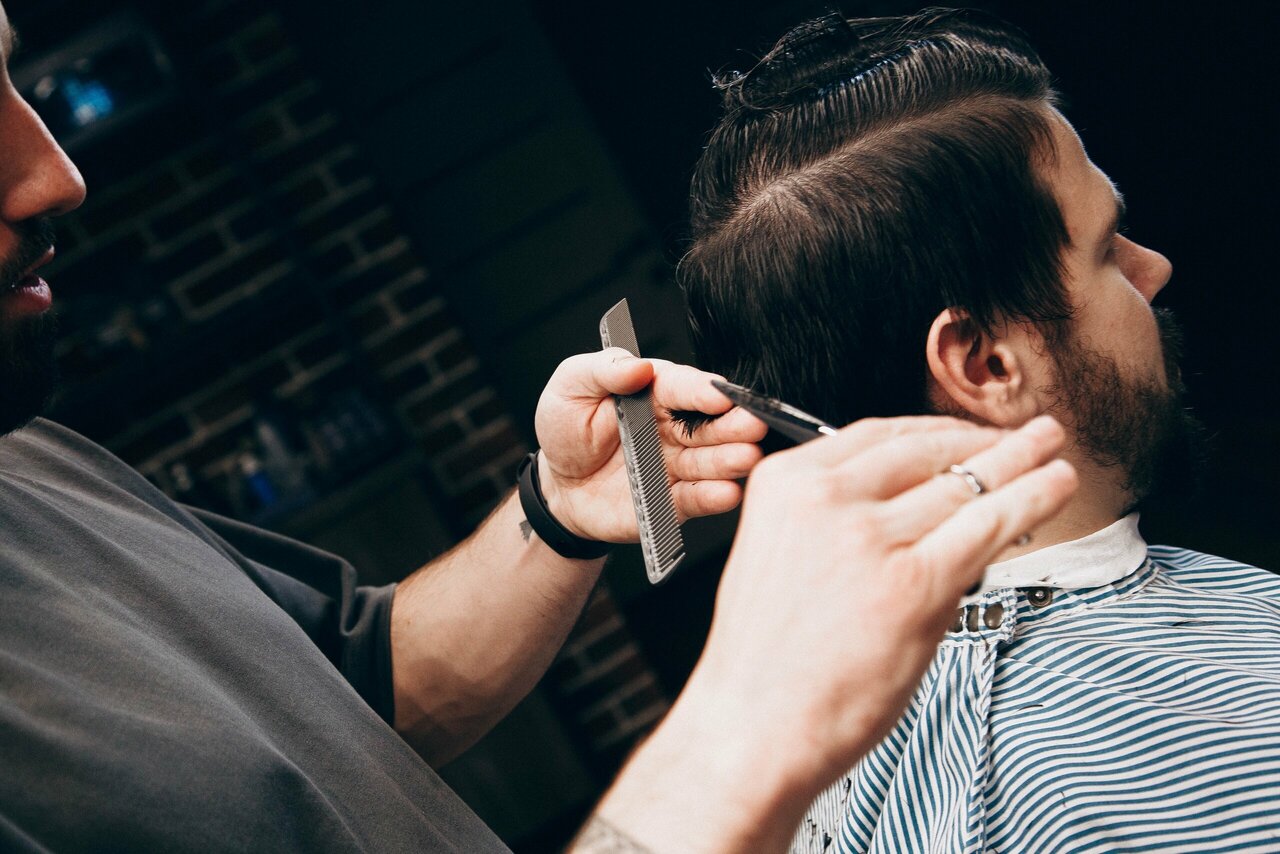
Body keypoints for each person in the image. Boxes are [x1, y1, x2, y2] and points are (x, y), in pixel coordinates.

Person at [0, 4, 1078, 852]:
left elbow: (363, 691)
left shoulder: (31, 461)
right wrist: (743, 722)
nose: (57, 174)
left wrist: (555, 513)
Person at [677, 8, 1280, 853]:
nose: (1153, 268)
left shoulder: (829, 752)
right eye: (1106, 250)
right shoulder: (1117, 784)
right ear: (986, 364)